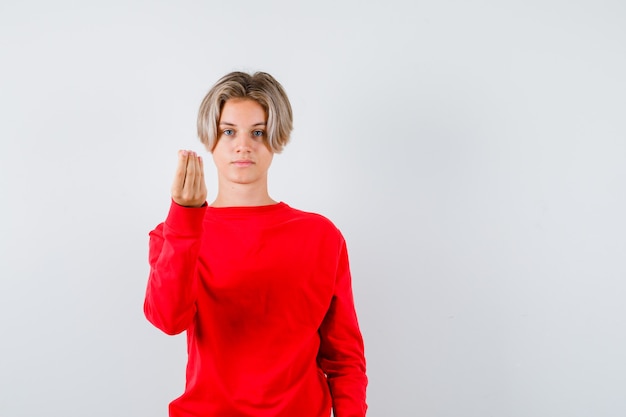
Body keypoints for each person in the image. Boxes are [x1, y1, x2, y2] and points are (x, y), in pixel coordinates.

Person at [144, 71, 367, 417]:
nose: (242, 145)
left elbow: (344, 357)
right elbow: (167, 319)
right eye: (229, 131)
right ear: (210, 138)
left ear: (276, 139)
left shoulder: (321, 236)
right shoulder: (176, 233)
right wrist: (185, 219)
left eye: (258, 132)